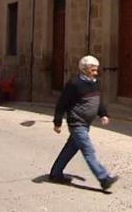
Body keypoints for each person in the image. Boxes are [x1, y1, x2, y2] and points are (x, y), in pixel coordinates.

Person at [49, 55, 119, 191]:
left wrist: (103, 114)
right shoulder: (74, 84)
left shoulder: (94, 83)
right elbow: (61, 104)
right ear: (84, 69)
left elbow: (97, 101)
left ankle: (55, 173)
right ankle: (104, 178)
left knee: (70, 149)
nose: (96, 73)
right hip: (77, 123)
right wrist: (57, 123)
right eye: (93, 70)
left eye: (96, 70)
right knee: (88, 150)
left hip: (86, 124)